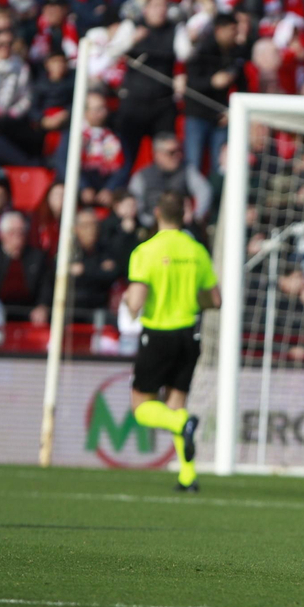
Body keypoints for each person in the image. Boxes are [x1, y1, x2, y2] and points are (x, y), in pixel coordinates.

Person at [123, 191, 222, 493]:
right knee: (176, 403)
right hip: (189, 334)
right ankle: (187, 477)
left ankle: (183, 425)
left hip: (158, 333)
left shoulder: (146, 250)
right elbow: (215, 299)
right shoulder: (196, 250)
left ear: (157, 214)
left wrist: (128, 302)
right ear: (184, 215)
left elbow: (136, 302)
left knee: (142, 408)